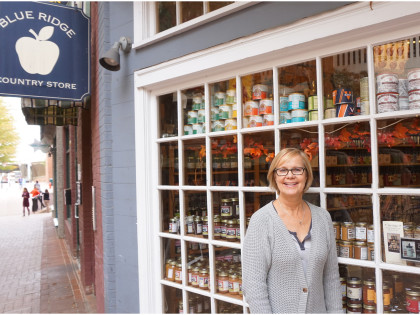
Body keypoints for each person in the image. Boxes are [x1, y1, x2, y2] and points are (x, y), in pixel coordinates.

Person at [242, 148, 342, 313]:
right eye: (282, 170)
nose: (290, 176)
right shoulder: (261, 221)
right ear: (274, 176)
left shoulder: (323, 218)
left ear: (307, 175)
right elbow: (254, 286)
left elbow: (331, 279)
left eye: (297, 169)